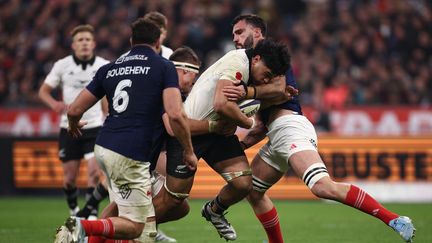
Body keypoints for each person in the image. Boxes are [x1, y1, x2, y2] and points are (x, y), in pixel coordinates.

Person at [226, 14, 416, 243]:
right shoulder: (250, 65)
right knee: (253, 191)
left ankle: (394, 219)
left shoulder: (270, 57)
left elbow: (280, 90)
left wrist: (246, 94)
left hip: (290, 128)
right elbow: (261, 126)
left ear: (256, 32)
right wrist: (239, 145)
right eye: (233, 33)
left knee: (322, 186)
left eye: (239, 32)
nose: (235, 38)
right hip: (276, 135)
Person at [54, 18, 197, 243]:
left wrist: (72, 126)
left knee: (145, 218)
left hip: (104, 146)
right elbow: (175, 114)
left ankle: (91, 231)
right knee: (135, 227)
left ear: (131, 41)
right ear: (158, 41)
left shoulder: (109, 68)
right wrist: (188, 151)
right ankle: (81, 226)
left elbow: (74, 110)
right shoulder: (163, 66)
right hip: (131, 154)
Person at [158, 39, 291, 241]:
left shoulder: (255, 69)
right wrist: (247, 122)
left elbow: (280, 89)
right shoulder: (237, 62)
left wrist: (261, 94)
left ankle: (214, 210)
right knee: (173, 201)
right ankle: (131, 227)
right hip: (189, 133)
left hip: (219, 133)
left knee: (244, 184)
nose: (266, 80)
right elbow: (221, 104)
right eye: (266, 75)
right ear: (256, 59)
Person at [38, 24, 109, 219]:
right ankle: (74, 211)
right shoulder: (62, 65)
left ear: (93, 44)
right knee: (69, 179)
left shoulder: (103, 65)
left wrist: (107, 114)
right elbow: (43, 91)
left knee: (94, 173)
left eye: (87, 40)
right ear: (73, 45)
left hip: (95, 126)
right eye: (80, 40)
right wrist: (54, 104)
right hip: (68, 127)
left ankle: (91, 214)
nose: (84, 43)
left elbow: (105, 94)